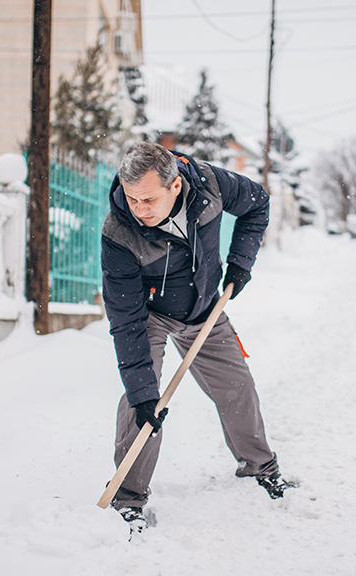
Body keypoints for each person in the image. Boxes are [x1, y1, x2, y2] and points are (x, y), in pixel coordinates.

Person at [101, 142, 293, 531]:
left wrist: (240, 264)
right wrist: (142, 394)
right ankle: (127, 497)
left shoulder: (210, 185)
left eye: (149, 199)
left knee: (236, 386)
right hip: (150, 316)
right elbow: (125, 319)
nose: (140, 209)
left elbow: (257, 204)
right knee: (143, 406)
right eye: (132, 198)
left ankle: (260, 467)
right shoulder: (119, 232)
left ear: (175, 187)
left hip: (204, 308)